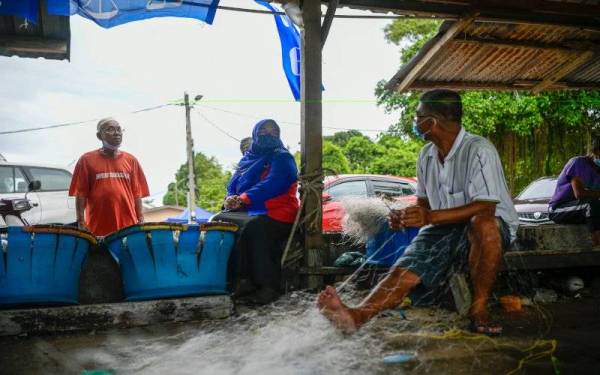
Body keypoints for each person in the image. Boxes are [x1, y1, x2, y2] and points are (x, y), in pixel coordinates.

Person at [318, 89, 518, 335]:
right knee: (406, 265)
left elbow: (487, 207)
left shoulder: (479, 150)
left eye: (417, 116)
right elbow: (424, 204)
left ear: (431, 122)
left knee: (482, 223)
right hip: (445, 226)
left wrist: (430, 217)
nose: (415, 122)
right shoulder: (426, 156)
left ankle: (479, 309)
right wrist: (406, 216)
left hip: (492, 230)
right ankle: (357, 315)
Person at [212, 119, 299, 304]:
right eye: (264, 131)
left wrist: (243, 199)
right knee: (218, 221)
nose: (269, 134)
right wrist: (230, 198)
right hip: (249, 210)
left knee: (254, 228)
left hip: (278, 213)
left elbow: (274, 184)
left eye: (273, 131)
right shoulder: (246, 160)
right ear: (255, 134)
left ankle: (267, 286)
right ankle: (234, 280)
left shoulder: (282, 157)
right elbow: (233, 185)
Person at [69, 118, 150, 237]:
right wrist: (81, 222)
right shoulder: (86, 160)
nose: (116, 133)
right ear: (99, 135)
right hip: (97, 229)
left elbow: (136, 194)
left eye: (118, 129)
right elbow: (81, 194)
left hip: (128, 228)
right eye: (110, 129)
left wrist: (140, 218)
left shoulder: (131, 160)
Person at [549, 137, 600, 245]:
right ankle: (597, 246)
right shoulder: (579, 163)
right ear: (596, 151)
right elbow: (579, 194)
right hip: (559, 209)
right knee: (590, 204)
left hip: (581, 210)